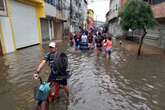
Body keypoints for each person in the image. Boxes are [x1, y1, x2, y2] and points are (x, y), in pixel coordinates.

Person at [33, 41, 69, 109]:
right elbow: (43, 63)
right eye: (50, 47)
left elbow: (65, 64)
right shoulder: (48, 55)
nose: (51, 49)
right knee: (48, 86)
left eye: (52, 47)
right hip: (53, 74)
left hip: (61, 74)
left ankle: (68, 96)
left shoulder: (60, 55)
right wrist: (37, 71)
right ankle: (51, 95)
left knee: (65, 87)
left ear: (56, 48)